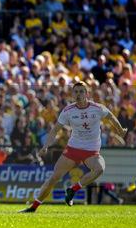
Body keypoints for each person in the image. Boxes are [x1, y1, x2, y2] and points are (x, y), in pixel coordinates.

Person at [20, 81, 127, 213]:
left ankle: (73, 189)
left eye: (81, 91)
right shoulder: (68, 111)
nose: (78, 94)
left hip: (91, 151)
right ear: (72, 94)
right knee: (54, 178)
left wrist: (120, 130)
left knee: (99, 169)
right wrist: (46, 146)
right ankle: (33, 208)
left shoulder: (97, 108)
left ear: (87, 93)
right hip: (73, 149)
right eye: (76, 91)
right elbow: (55, 130)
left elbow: (111, 117)